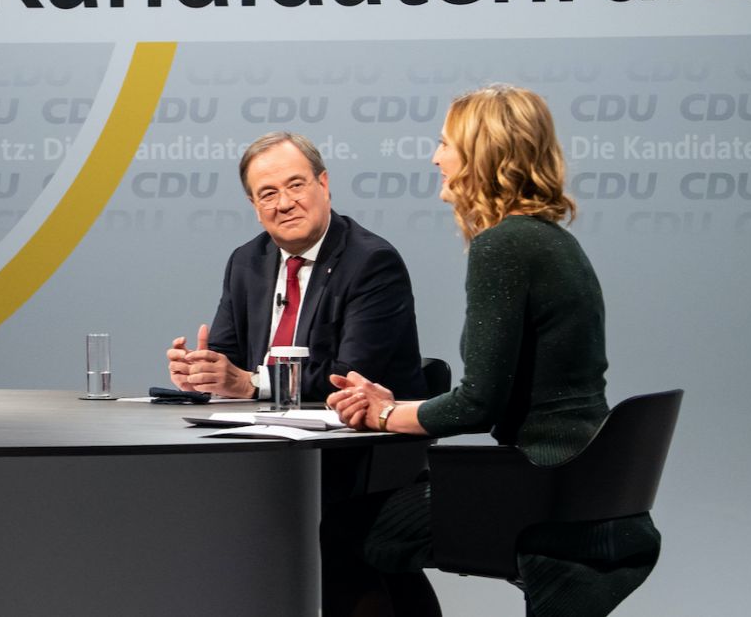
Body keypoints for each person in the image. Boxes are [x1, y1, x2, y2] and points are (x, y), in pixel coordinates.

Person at [327, 84, 662, 617]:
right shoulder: (551, 240)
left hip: (544, 487)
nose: (435, 157)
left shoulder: (502, 246)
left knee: (346, 529)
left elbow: (476, 406)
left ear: (483, 155)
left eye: (444, 143)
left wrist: (384, 412)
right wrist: (391, 405)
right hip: (586, 480)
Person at [167, 131, 427, 403]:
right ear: (254, 206)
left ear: (323, 185)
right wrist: (202, 372)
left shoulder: (371, 262)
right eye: (268, 194)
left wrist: (252, 383)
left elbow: (349, 377)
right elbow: (228, 360)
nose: (285, 204)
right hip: (261, 432)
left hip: (358, 437)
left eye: (296, 186)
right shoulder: (246, 261)